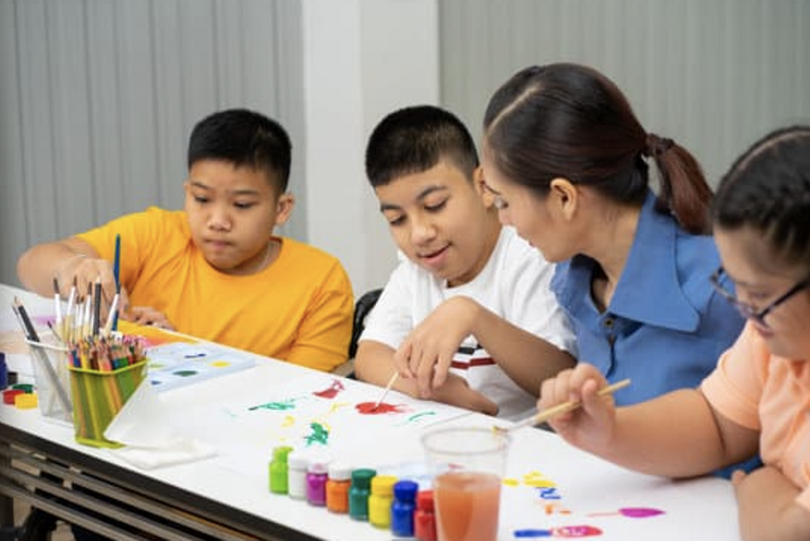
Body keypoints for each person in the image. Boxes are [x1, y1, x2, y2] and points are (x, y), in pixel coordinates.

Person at [537, 126, 810, 541]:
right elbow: (717, 424)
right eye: (733, 286)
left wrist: (759, 484)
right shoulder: (771, 337)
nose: (744, 311)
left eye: (759, 295)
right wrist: (611, 430)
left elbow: (785, 533)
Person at [480, 63, 745, 405]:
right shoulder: (574, 282)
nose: (503, 220)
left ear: (564, 197)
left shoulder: (730, 286)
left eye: (504, 202)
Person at [17, 108, 353, 372]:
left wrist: (176, 351)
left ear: (282, 208)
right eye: (202, 199)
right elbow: (31, 264)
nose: (217, 221)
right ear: (187, 192)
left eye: (242, 205)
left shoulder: (320, 280)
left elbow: (306, 397)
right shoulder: (157, 234)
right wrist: (72, 268)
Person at [355, 105, 576, 420]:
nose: (419, 234)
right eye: (397, 219)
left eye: (435, 205)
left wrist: (472, 315)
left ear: (483, 186)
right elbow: (370, 354)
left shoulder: (527, 252)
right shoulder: (415, 268)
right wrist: (426, 388)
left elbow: (560, 377)